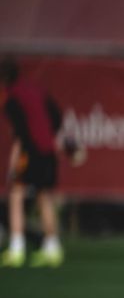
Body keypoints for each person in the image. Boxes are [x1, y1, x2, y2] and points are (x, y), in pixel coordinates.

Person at [2, 58, 80, 269]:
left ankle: (16, 249)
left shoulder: (12, 98)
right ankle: (52, 249)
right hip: (47, 153)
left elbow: (21, 135)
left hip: (30, 152)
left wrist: (13, 165)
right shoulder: (37, 92)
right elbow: (56, 119)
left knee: (16, 195)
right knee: (44, 197)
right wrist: (51, 141)